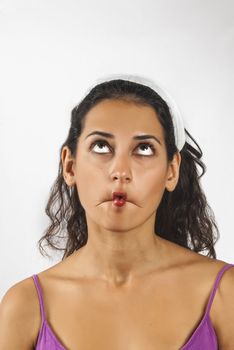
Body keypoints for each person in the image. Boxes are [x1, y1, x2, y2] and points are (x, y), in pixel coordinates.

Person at [0, 75, 233, 349]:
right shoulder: (25, 307)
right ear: (70, 166)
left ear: (172, 171)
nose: (120, 171)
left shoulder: (225, 295)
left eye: (143, 149)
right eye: (101, 146)